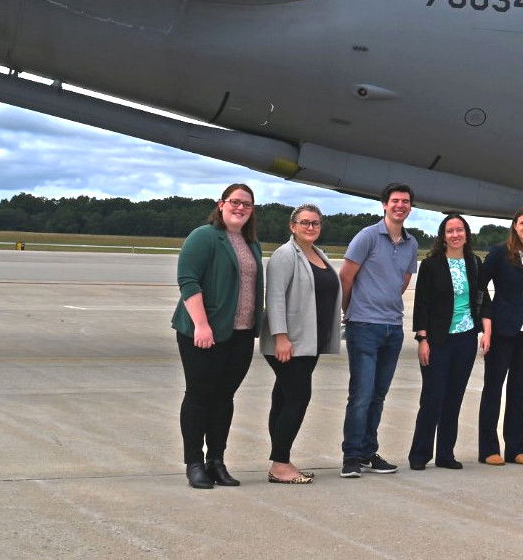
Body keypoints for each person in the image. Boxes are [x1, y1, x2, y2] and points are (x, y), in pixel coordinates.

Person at [172, 183, 263, 489]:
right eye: (235, 202)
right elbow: (188, 280)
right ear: (221, 204)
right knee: (199, 395)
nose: (240, 208)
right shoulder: (205, 236)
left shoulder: (252, 244)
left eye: (247, 205)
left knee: (224, 398)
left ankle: (217, 461)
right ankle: (194, 463)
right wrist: (201, 324)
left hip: (240, 334)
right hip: (204, 332)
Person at [338, 182, 419, 478]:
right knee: (361, 393)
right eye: (395, 201)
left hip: (392, 328)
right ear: (384, 205)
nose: (401, 205)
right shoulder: (368, 236)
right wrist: (351, 311)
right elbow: (345, 277)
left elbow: (404, 280)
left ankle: (368, 452)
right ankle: (351, 456)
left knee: (379, 394)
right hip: (364, 326)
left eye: (406, 201)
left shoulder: (411, 243)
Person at [261, 203, 337, 485]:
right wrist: (281, 337)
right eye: (304, 222)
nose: (310, 227)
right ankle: (279, 465)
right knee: (297, 397)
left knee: (283, 397)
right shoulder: (285, 255)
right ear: (292, 226)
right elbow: (276, 297)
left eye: (315, 223)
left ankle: (281, 459)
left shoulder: (319, 254)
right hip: (289, 342)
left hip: (309, 342)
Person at [408, 214, 484, 471]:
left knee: (454, 398)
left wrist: (485, 330)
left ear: (466, 234)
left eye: (459, 230)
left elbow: (480, 298)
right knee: (432, 397)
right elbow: (422, 304)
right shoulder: (431, 265)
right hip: (438, 340)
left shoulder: (474, 262)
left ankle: (445, 454)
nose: (455, 235)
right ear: (443, 236)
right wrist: (422, 339)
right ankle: (419, 454)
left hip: (466, 338)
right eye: (450, 231)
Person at [478, 206, 523, 465]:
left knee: (520, 392)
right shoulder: (499, 253)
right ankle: (489, 449)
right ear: (515, 226)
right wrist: (487, 323)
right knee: (493, 390)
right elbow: (480, 287)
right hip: (501, 330)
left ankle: (515, 448)